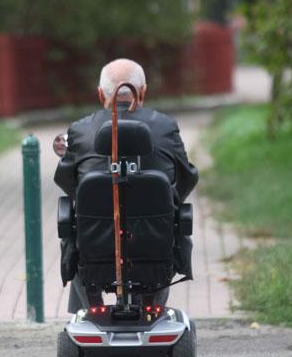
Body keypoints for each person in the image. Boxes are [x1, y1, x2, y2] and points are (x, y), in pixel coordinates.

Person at [54, 58, 198, 313]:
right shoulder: (166, 127)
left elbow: (66, 180)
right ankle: (152, 307)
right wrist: (165, 203)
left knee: (75, 231)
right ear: (143, 91)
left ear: (101, 94)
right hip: (155, 246)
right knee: (168, 224)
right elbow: (187, 177)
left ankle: (90, 310)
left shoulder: (80, 130)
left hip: (95, 248)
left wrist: (92, 202)